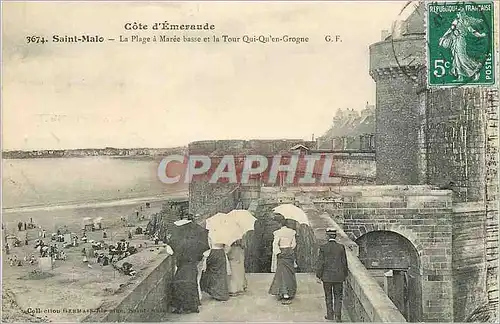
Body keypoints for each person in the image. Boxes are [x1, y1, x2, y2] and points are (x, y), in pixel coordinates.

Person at [169, 214, 209, 314]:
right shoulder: (197, 235)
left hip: (182, 265)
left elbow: (170, 250)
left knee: (179, 283)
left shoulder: (180, 238)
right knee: (192, 284)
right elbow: (203, 250)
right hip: (192, 265)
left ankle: (181, 306)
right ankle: (192, 306)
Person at [316, 229, 348, 322]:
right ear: (335, 236)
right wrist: (345, 275)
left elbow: (320, 263)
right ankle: (338, 317)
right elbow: (344, 263)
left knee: (328, 296)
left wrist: (318, 275)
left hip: (327, 277)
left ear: (327, 236)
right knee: (338, 296)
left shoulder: (323, 247)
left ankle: (330, 315)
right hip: (339, 277)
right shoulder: (341, 247)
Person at [268, 214, 297, 305]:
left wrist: (278, 253)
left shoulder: (277, 233)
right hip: (289, 252)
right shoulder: (292, 232)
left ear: (279, 223)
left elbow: (275, 244)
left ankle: (284, 293)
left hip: (282, 253)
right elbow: (293, 244)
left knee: (282, 273)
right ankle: (289, 291)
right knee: (289, 272)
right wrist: (289, 250)